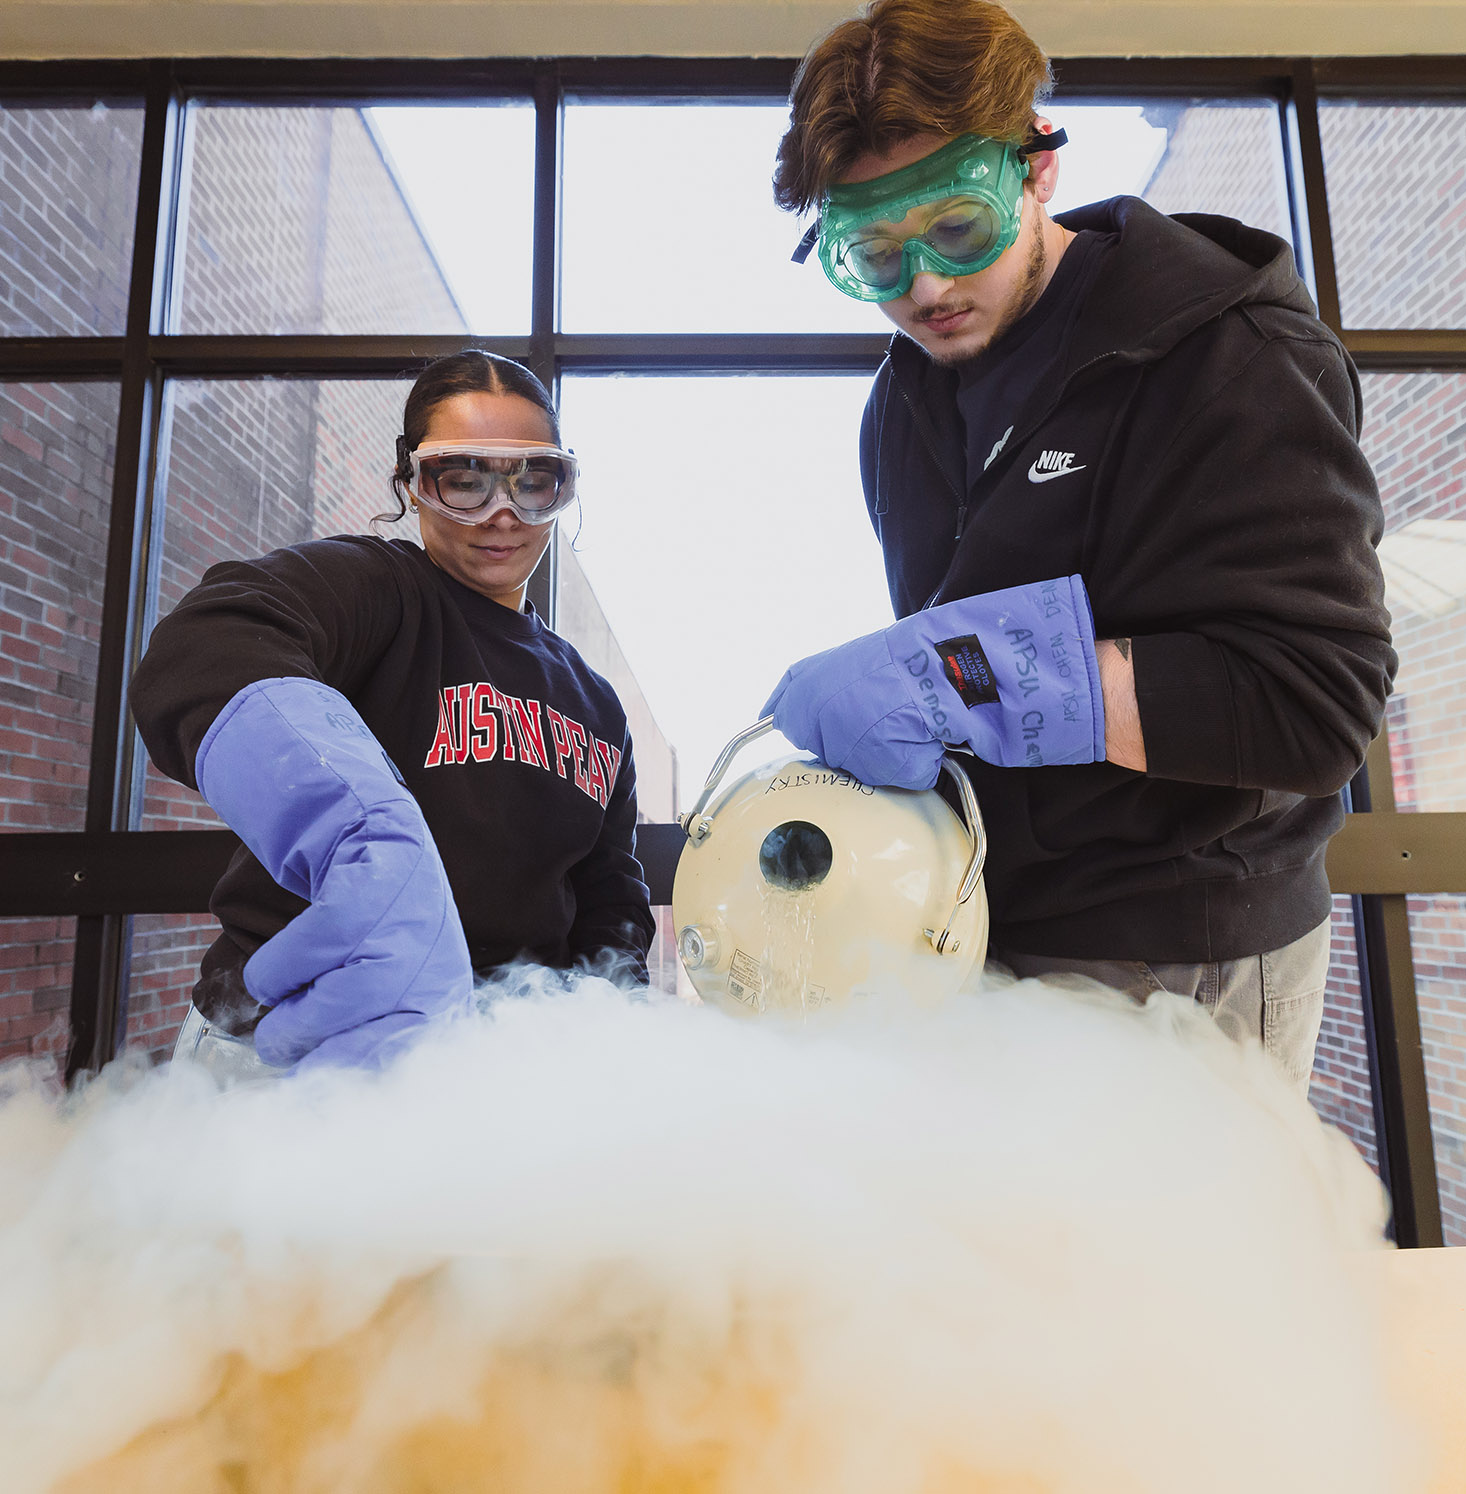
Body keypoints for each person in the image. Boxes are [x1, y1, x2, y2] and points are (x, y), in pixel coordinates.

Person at [762, 0, 1395, 1090]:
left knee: (1158, 1266)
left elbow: (1314, 703)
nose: (925, 289)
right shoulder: (903, 405)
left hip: (1180, 945)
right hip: (991, 926)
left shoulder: (1221, 350)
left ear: (1038, 168)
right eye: (873, 255)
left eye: (958, 228)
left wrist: (952, 676)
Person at [130, 350, 655, 1073]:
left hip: (495, 1064)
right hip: (293, 1040)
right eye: (463, 480)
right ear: (411, 483)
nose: (502, 514)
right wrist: (350, 820)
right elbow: (206, 642)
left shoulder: (597, 704)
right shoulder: (380, 591)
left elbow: (610, 901)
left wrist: (606, 1028)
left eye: (533, 481)